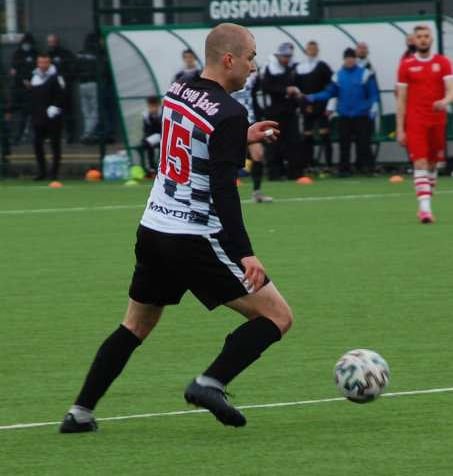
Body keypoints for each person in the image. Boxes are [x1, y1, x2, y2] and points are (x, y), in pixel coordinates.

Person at [59, 23, 291, 433]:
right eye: (252, 58)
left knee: (136, 324)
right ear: (229, 59)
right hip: (195, 236)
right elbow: (223, 190)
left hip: (153, 229)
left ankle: (80, 412)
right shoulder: (231, 112)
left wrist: (240, 136)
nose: (255, 67)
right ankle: (210, 382)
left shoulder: (178, 89)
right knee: (276, 317)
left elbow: (192, 142)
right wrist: (245, 253)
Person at [396, 24, 453, 223]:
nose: (423, 39)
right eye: (419, 36)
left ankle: (426, 201)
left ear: (431, 39)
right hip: (416, 121)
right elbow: (401, 100)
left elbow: (452, 89)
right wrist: (400, 128)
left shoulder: (443, 62)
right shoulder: (406, 65)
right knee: (420, 162)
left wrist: (445, 101)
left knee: (432, 164)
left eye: (426, 36)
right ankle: (425, 209)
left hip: (437, 120)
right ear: (414, 40)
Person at [305, 47, 380, 176]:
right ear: (344, 60)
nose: (350, 61)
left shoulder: (366, 73)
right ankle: (344, 169)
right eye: (348, 58)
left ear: (355, 59)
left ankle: (365, 168)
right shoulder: (338, 75)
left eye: (352, 58)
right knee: (344, 144)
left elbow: (373, 94)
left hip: (362, 115)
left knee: (363, 144)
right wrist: (313, 96)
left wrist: (374, 108)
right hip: (344, 115)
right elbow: (329, 93)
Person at [260, 42, 303, 179]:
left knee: (294, 141)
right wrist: (285, 90)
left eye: (288, 56)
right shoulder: (270, 69)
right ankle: (275, 173)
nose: (286, 59)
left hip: (290, 111)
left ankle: (294, 172)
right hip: (274, 112)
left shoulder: (292, 69)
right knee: (274, 142)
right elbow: (266, 87)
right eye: (284, 56)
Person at [230, 67, 272, 203]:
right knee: (227, 158)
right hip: (230, 122)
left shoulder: (251, 78)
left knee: (258, 155)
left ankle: (257, 192)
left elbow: (263, 78)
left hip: (249, 122)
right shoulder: (227, 78)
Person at [295, 40, 334, 171]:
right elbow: (297, 89)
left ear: (317, 50)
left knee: (325, 135)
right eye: (309, 48)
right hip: (306, 107)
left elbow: (332, 88)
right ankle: (309, 164)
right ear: (306, 50)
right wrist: (301, 103)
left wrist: (330, 106)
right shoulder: (300, 68)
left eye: (314, 48)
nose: (312, 50)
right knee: (307, 136)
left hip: (322, 106)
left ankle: (329, 165)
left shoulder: (323, 66)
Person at [30, 54, 67, 182]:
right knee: (37, 143)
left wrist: (55, 106)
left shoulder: (56, 76)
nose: (43, 65)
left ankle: (54, 173)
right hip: (38, 116)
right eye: (40, 62)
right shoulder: (34, 77)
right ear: (37, 63)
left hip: (53, 117)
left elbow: (62, 94)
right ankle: (42, 171)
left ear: (49, 62)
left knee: (55, 144)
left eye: (45, 62)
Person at [46, 34, 77, 143]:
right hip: (51, 88)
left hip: (64, 87)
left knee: (67, 111)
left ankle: (70, 135)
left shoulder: (65, 54)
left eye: (53, 41)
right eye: (49, 42)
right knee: (53, 111)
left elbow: (72, 68)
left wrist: (66, 80)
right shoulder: (47, 55)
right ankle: (54, 135)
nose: (51, 44)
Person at [7, 33, 38, 144]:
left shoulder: (34, 54)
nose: (26, 45)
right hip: (17, 88)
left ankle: (19, 136)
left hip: (28, 90)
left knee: (25, 114)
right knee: (9, 110)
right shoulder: (18, 54)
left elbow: (36, 70)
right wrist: (23, 78)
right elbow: (13, 71)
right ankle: (6, 132)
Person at [140, 96, 161, 176]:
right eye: (150, 106)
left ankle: (156, 167)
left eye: (153, 106)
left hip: (161, 135)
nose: (151, 108)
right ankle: (150, 168)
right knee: (145, 144)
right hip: (151, 137)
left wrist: (155, 117)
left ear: (158, 105)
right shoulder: (146, 114)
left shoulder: (162, 112)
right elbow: (146, 129)